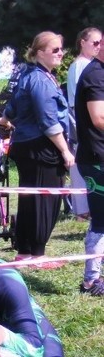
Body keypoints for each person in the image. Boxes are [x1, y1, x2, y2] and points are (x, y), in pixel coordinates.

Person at [0, 32, 72, 264]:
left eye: (61, 49)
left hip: (25, 146)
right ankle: (37, 256)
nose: (61, 53)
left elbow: (12, 106)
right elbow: (48, 122)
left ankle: (25, 253)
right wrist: (65, 151)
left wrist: (4, 119)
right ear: (40, 52)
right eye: (55, 50)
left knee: (30, 200)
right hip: (42, 149)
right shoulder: (41, 80)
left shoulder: (29, 74)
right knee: (45, 202)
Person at [75, 34, 104, 297]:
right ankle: (90, 282)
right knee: (101, 222)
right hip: (97, 159)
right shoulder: (95, 76)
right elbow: (98, 118)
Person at [66, 28, 101, 220]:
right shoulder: (82, 65)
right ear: (82, 42)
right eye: (94, 43)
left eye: (99, 43)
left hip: (84, 118)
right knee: (81, 165)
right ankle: (82, 210)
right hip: (82, 119)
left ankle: (84, 210)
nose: (98, 46)